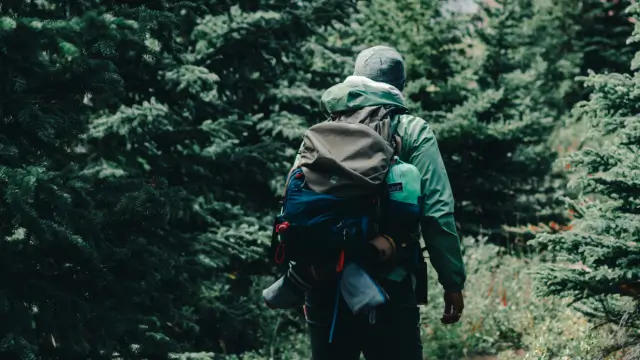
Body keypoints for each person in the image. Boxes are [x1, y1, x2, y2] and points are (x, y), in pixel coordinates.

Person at [300, 45, 467, 360]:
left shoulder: (322, 131)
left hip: (324, 279)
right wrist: (452, 282)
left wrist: (301, 272)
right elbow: (437, 214)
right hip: (388, 277)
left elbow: (296, 200)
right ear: (400, 86)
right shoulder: (412, 130)